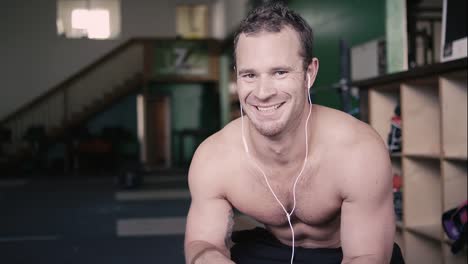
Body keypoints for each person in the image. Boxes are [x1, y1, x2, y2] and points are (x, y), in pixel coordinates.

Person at [184, 3, 403, 264]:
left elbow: (366, 256)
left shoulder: (358, 151)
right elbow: (202, 242)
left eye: (280, 72)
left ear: (309, 73)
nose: (263, 92)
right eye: (250, 75)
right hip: (271, 250)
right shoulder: (214, 157)